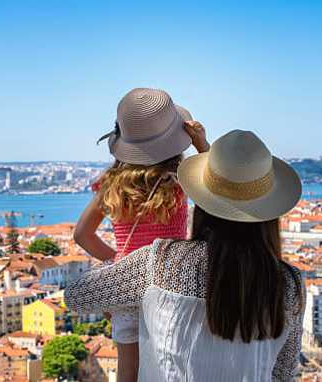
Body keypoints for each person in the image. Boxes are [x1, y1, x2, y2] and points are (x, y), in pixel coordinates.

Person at [66, 130, 305, 381]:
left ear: (202, 202)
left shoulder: (162, 263)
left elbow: (76, 296)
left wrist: (117, 269)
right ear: (270, 213)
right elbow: (283, 373)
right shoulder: (290, 284)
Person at [72, 88, 210, 382]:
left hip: (128, 288)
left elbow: (83, 235)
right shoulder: (180, 181)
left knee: (128, 370)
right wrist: (203, 146)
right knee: (173, 368)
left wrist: (121, 263)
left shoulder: (111, 185)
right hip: (171, 285)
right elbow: (217, 191)